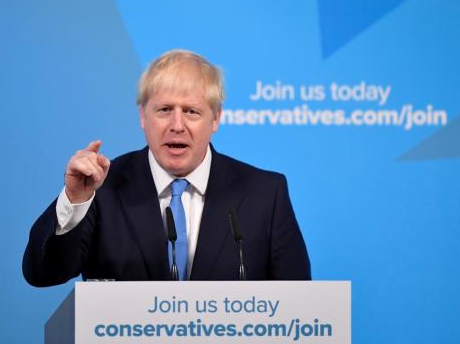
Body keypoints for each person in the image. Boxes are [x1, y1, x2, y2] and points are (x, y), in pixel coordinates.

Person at [22, 50, 310, 286]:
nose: (177, 125)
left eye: (191, 111)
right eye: (164, 110)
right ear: (143, 117)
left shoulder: (264, 194)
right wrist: (75, 200)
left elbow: (298, 302)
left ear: (215, 119)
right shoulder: (102, 187)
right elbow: (43, 274)